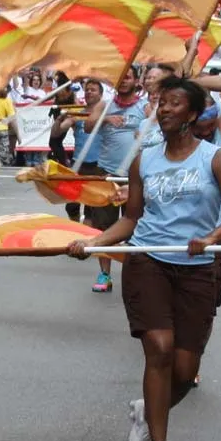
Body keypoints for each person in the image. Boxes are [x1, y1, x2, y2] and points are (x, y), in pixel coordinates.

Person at [67, 76, 221, 441]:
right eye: (161, 102)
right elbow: (131, 219)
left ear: (193, 114)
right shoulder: (144, 160)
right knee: (160, 348)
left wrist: (212, 238)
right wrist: (94, 242)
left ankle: (147, 411)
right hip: (147, 261)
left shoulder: (215, 159)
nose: (164, 109)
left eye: (173, 103)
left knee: (184, 371)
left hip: (197, 269)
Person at [83, 69, 147, 293]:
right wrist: (106, 118)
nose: (123, 81)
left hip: (136, 176)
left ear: (136, 81)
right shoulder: (105, 104)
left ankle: (137, 274)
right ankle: (105, 274)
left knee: (138, 226)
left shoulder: (144, 106)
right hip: (107, 173)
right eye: (120, 77)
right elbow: (87, 126)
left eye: (128, 77)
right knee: (104, 227)